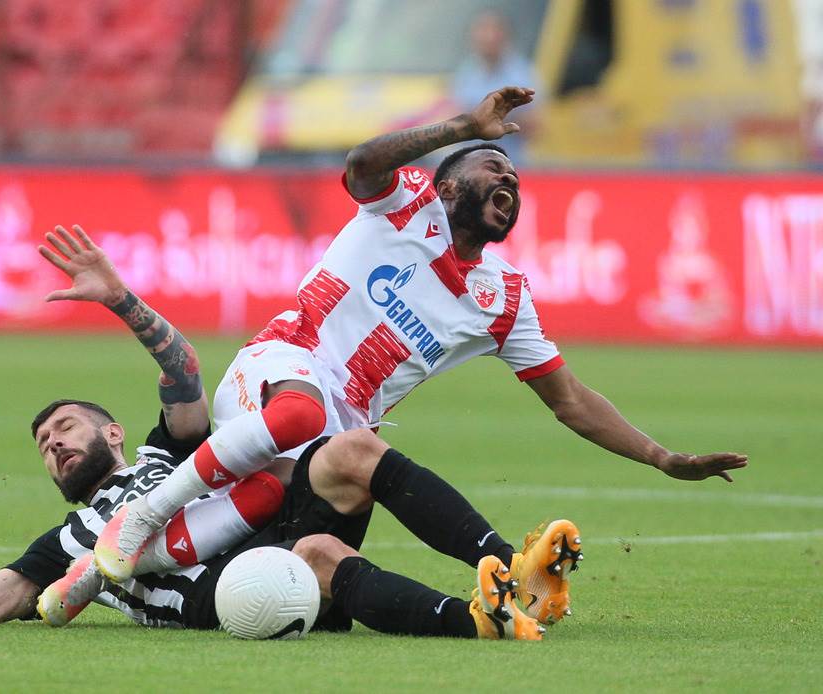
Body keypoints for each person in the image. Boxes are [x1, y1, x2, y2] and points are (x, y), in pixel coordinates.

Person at [93, 86, 749, 593]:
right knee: (310, 418)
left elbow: (570, 400)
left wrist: (662, 457)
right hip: (275, 374)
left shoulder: (504, 297)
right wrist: (464, 127)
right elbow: (361, 164)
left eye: (516, 183)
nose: (509, 183)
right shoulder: (404, 199)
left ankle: (505, 590)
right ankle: (147, 512)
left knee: (314, 580)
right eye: (493, 169)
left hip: (328, 445)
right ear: (446, 183)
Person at [0, 226, 575, 641]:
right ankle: (473, 622)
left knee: (350, 451)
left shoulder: (158, 452)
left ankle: (511, 569)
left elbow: (182, 372)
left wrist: (124, 303)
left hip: (265, 522)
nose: (54, 445)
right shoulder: (68, 543)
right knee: (309, 557)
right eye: (44, 447)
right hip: (222, 596)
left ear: (110, 431)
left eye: (65, 428)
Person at [452, 10, 539, 163]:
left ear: (505, 36)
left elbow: (535, 126)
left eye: (494, 30)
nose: (488, 37)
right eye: (482, 30)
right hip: (469, 162)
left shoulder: (522, 74)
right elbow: (454, 113)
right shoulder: (467, 72)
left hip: (509, 162)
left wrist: (499, 115)